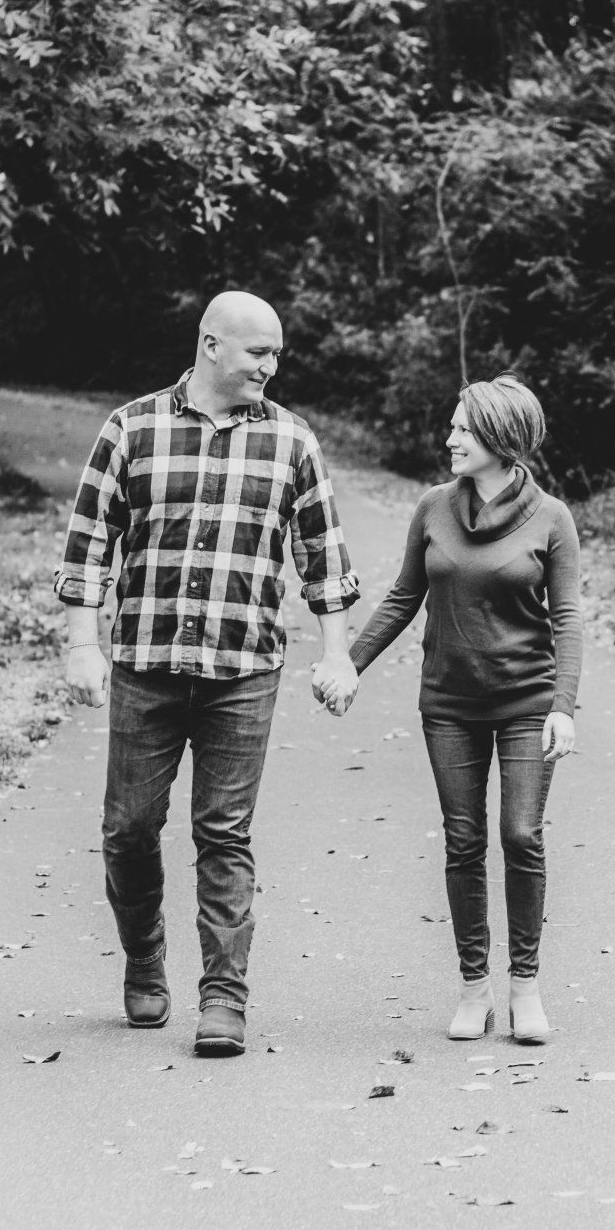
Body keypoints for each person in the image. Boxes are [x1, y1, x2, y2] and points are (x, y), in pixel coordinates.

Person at [56, 290, 360, 1057]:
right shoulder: (132, 427)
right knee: (129, 831)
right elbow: (90, 541)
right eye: (259, 351)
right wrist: (80, 642)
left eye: (278, 355)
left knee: (224, 834)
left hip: (243, 669)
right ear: (211, 345)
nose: (271, 365)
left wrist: (335, 651)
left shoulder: (292, 441)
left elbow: (323, 557)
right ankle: (144, 955)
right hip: (147, 663)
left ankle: (224, 998)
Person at [338, 373, 580, 1043]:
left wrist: (564, 706)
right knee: (464, 840)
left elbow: (568, 620)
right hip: (449, 705)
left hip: (528, 700)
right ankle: (475, 990)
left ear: (502, 438)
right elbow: (401, 597)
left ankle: (525, 990)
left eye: (462, 428)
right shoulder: (433, 507)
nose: (450, 438)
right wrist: (348, 664)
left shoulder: (552, 519)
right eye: (452, 426)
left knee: (521, 835)